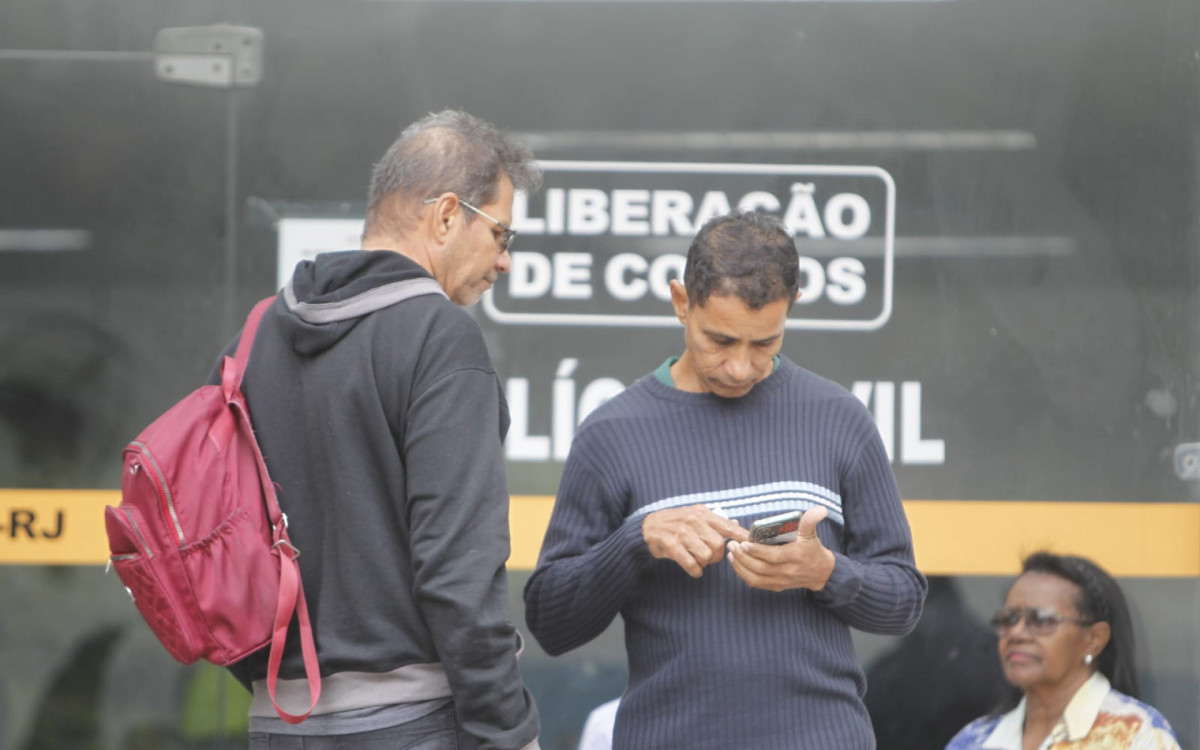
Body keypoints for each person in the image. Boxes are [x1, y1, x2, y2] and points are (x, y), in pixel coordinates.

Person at [523, 210, 927, 749]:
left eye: (765, 344)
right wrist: (637, 540)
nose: (740, 367)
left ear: (792, 312)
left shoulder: (838, 417)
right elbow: (551, 622)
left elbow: (903, 600)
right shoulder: (612, 434)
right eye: (721, 340)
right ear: (680, 302)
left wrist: (825, 572)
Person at [222, 109, 542, 749]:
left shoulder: (253, 337)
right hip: (410, 722)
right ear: (448, 215)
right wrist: (506, 734)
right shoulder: (440, 338)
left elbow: (218, 542)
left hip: (275, 722)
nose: (504, 261)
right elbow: (458, 575)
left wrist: (275, 684)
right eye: (502, 234)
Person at [945, 551, 1180, 750]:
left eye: (1041, 620)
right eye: (1009, 618)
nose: (1016, 633)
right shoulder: (974, 741)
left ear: (1094, 639)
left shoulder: (1136, 736)